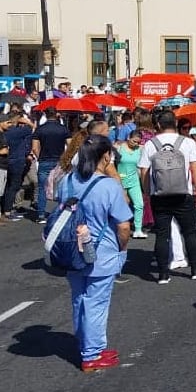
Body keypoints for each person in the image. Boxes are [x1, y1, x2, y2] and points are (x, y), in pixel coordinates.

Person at [59, 135, 133, 372]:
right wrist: (123, 249)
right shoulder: (108, 186)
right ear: (106, 156)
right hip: (101, 251)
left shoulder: (67, 181)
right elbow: (123, 226)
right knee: (96, 302)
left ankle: (88, 345)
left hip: (71, 250)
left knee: (79, 299)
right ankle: (91, 354)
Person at [138, 110, 196, 284]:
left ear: (158, 125)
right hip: (183, 194)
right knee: (190, 232)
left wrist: (147, 192)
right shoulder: (188, 143)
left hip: (159, 195)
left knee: (162, 234)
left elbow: (144, 171)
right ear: (175, 124)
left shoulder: (150, 144)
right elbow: (195, 168)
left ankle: (163, 274)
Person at [32, 108, 70, 221]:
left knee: (42, 188)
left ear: (46, 115)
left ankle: (40, 214)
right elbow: (71, 145)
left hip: (44, 160)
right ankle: (60, 212)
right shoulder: (63, 129)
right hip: (59, 160)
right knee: (61, 188)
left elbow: (34, 148)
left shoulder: (40, 129)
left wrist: (40, 157)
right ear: (57, 115)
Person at [2, 113, 35, 221]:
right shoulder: (20, 131)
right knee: (14, 186)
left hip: (7, 160)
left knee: (7, 185)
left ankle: (5, 208)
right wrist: (28, 122)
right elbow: (34, 128)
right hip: (17, 161)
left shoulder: (6, 131)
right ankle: (8, 211)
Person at [115, 130, 147, 239]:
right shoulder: (119, 148)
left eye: (138, 142)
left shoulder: (141, 149)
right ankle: (119, 228)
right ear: (128, 137)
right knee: (121, 206)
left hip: (134, 180)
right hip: (120, 180)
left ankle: (138, 229)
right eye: (134, 141)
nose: (136, 144)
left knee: (139, 204)